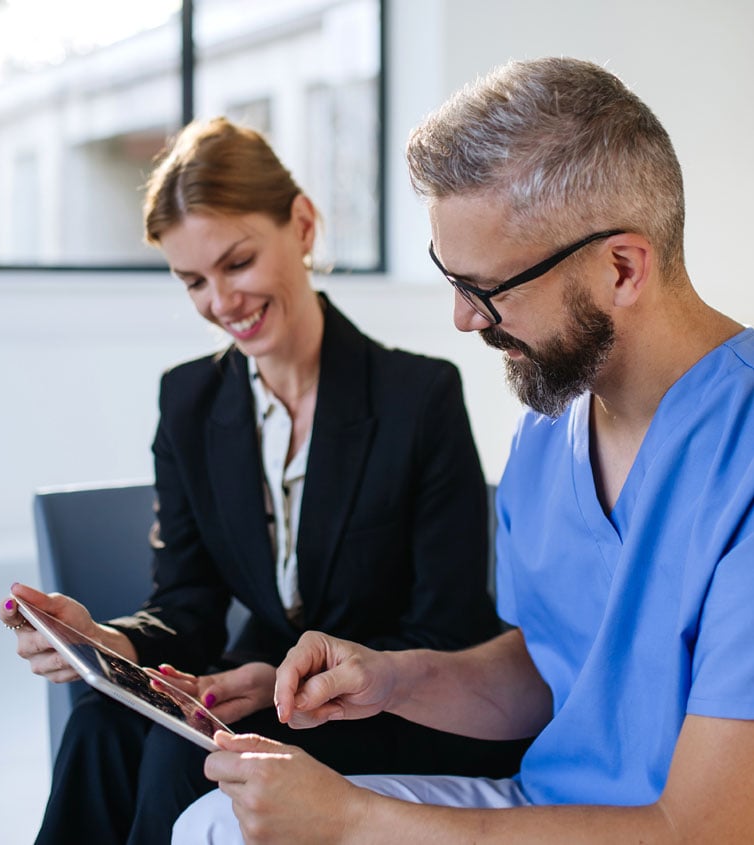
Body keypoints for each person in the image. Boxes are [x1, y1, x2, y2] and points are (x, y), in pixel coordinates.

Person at [171, 57, 754, 843]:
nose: (462, 320)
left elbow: (702, 828)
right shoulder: (553, 426)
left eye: (488, 289)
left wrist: (353, 819)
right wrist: (392, 677)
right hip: (546, 804)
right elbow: (550, 671)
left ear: (621, 267)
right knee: (218, 823)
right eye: (451, 278)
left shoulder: (740, 455)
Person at [0, 117, 528, 845]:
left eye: (237, 262)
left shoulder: (418, 396)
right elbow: (186, 605)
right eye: (193, 281)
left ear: (303, 225)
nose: (222, 301)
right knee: (99, 723)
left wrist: (280, 675)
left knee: (184, 758)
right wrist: (106, 641)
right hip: (262, 688)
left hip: (397, 705)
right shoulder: (189, 401)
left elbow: (449, 623)